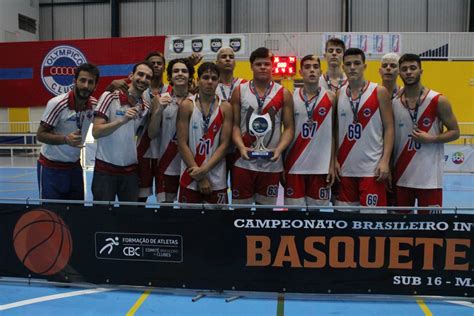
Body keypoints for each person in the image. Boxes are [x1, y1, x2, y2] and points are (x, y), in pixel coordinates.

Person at [392, 53, 459, 213]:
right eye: (404, 69)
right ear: (399, 73)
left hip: (430, 180)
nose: (408, 72)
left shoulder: (438, 100)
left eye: (413, 68)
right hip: (401, 177)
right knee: (400, 229)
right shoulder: (395, 102)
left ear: (421, 71)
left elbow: (455, 132)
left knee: (431, 229)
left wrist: (432, 138)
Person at [231, 47, 294, 205]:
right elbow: (235, 126)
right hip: (243, 161)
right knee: (240, 214)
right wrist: (241, 146)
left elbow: (289, 128)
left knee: (266, 216)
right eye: (259, 64)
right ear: (251, 66)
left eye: (267, 64)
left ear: (272, 67)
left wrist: (279, 150)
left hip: (271, 164)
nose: (263, 67)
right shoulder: (240, 91)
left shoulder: (283, 93)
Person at [335, 48, 394, 210]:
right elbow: (334, 131)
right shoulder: (338, 94)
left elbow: (389, 128)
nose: (352, 67)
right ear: (343, 68)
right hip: (345, 169)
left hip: (372, 170)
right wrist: (334, 159)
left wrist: (385, 161)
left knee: (372, 221)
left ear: (364, 66)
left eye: (356, 63)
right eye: (348, 64)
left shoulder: (378, 91)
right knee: (344, 221)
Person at [36, 63, 99, 200]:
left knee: (76, 214)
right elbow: (40, 135)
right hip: (51, 167)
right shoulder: (57, 104)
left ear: (95, 86)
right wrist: (65, 139)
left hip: (74, 167)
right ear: (74, 81)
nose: (86, 86)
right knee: (52, 215)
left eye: (90, 82)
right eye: (82, 80)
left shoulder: (94, 105)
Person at [91, 61, 153, 202]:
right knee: (103, 218)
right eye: (140, 74)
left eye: (148, 77)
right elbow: (96, 131)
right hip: (105, 170)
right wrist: (122, 120)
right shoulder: (110, 96)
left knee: (129, 219)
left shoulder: (146, 106)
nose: (143, 79)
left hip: (130, 172)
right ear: (131, 76)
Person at [176, 62, 233, 204]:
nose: (210, 82)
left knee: (218, 222)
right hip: (190, 174)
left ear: (218, 81)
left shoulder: (225, 107)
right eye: (205, 77)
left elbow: (225, 145)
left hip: (216, 177)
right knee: (189, 222)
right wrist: (200, 177)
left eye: (214, 78)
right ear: (197, 80)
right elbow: (182, 144)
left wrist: (204, 170)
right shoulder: (187, 105)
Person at [284, 55, 336, 208]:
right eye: (307, 67)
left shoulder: (332, 97)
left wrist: (332, 163)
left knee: (317, 218)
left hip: (321, 168)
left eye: (315, 67)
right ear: (300, 72)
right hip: (294, 166)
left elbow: (334, 133)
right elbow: (285, 131)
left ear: (321, 71)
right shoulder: (291, 98)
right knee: (294, 216)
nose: (311, 70)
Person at [148, 58, 194, 203]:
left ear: (190, 76)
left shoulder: (196, 101)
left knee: (189, 212)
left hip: (190, 164)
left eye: (184, 71)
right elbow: (151, 133)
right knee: (165, 213)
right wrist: (158, 111)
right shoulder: (160, 99)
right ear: (169, 76)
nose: (180, 74)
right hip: (166, 165)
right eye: (176, 71)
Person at [215, 46, 247, 183]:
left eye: (231, 57)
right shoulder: (210, 85)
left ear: (235, 63)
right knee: (217, 188)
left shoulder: (245, 85)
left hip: (239, 147)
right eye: (223, 56)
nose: (228, 59)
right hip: (216, 145)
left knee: (238, 188)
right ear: (216, 62)